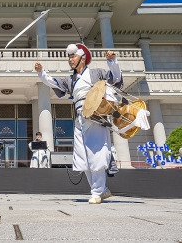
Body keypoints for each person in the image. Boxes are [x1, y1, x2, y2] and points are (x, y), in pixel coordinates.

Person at [35, 43, 122, 204]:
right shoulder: (71, 79)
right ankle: (100, 190)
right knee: (83, 157)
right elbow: (53, 82)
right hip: (80, 119)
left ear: (83, 58)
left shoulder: (96, 73)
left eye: (73, 56)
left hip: (96, 116)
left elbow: (115, 78)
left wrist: (112, 61)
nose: (70, 60)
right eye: (69, 57)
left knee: (96, 154)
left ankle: (97, 191)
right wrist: (41, 72)